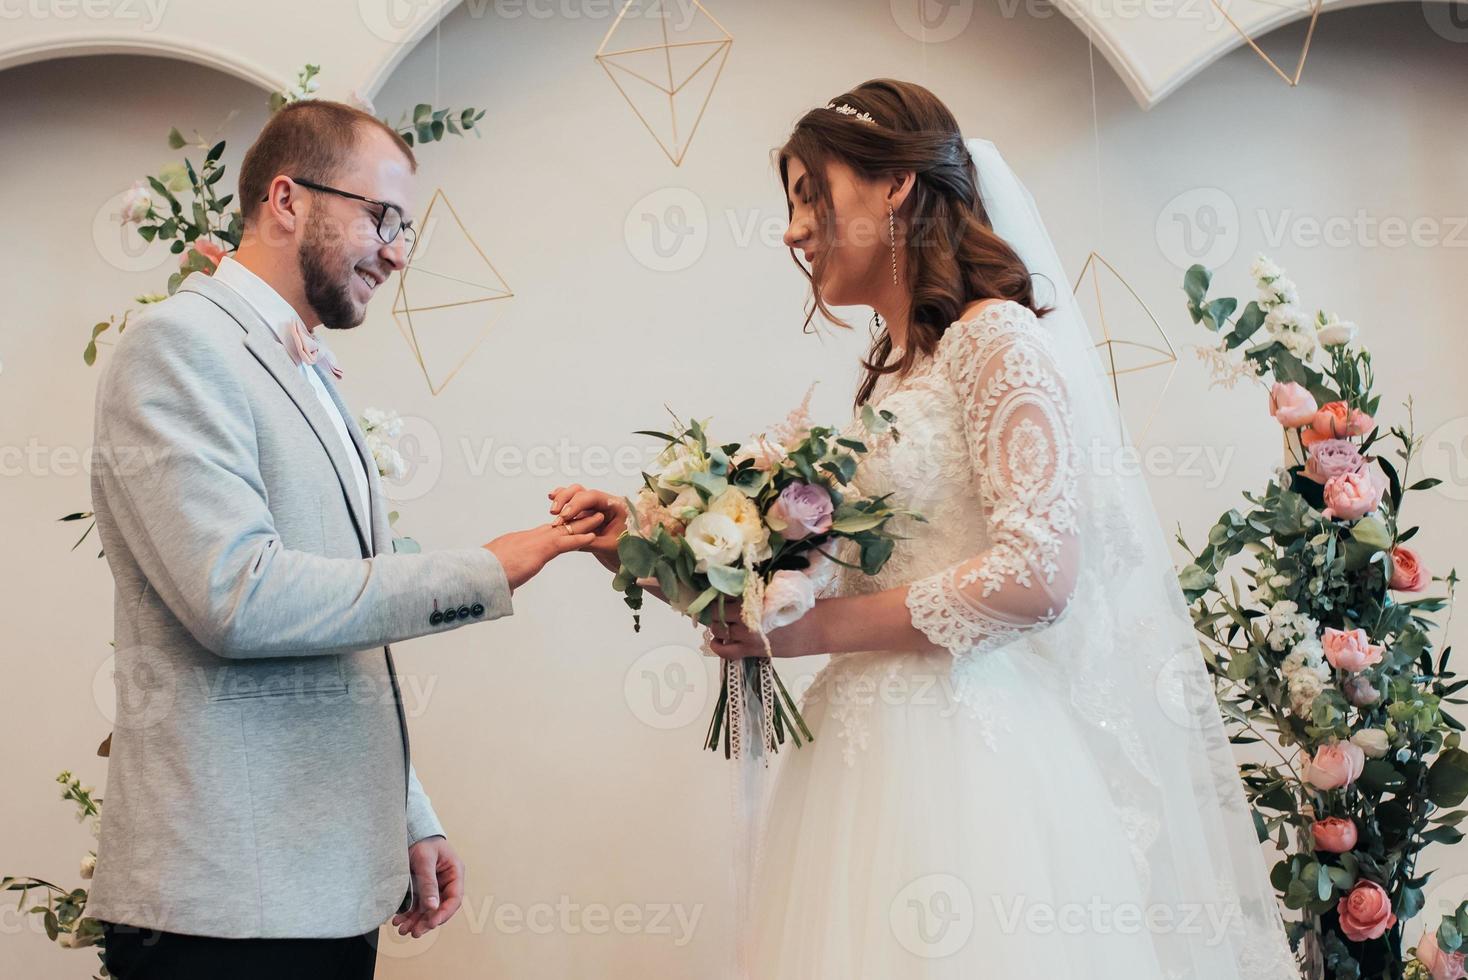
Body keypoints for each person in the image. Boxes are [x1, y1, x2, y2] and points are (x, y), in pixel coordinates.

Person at [551, 79, 1300, 977]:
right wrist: (646, 541)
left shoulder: (997, 340)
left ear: (896, 184)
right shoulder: (899, 379)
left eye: (808, 193)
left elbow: (1037, 577)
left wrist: (804, 632)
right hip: (860, 764)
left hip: (969, 763)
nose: (792, 229)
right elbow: (817, 576)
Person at [86, 99, 601, 980]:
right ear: (287, 200)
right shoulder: (177, 344)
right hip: (230, 908)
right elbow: (239, 599)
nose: (398, 251)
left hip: (319, 890)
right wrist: (488, 568)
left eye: (404, 226)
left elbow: (337, 631)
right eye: (381, 218)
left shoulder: (301, 364)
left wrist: (408, 814)